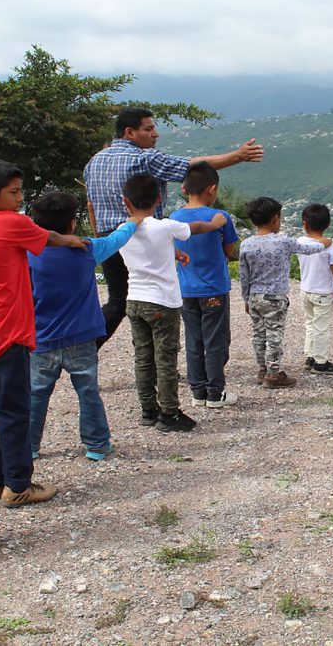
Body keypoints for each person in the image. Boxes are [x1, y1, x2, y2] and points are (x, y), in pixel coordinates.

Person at [0, 159, 88, 508]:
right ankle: (18, 484)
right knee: (14, 412)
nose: (20, 199)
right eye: (14, 192)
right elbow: (47, 237)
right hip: (8, 333)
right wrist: (71, 240)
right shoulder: (11, 222)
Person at [84, 107, 265, 349]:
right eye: (148, 129)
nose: (155, 134)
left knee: (120, 301)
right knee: (157, 301)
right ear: (129, 132)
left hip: (110, 240)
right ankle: (160, 360)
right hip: (145, 238)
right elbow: (192, 166)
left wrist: (100, 240)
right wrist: (237, 156)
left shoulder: (94, 161)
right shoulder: (145, 158)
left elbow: (91, 205)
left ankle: (87, 350)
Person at [26, 191, 143, 461]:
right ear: (71, 225)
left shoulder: (29, 254)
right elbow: (116, 239)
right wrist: (133, 222)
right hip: (81, 336)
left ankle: (29, 447)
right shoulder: (86, 249)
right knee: (88, 391)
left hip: (41, 337)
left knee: (35, 395)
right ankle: (97, 444)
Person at [120, 173, 228, 431]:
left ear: (126, 202)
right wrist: (214, 223)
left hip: (134, 300)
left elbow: (148, 251)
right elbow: (195, 229)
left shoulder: (122, 231)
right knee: (165, 359)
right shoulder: (164, 226)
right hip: (162, 303)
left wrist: (175, 253)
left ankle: (148, 410)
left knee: (143, 357)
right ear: (159, 198)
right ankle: (169, 414)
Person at [239, 197, 332, 388]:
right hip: (275, 298)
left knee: (259, 334)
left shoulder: (246, 244)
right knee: (274, 335)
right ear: (275, 219)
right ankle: (273, 375)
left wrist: (246, 298)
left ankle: (262, 369)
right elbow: (309, 248)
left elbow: (243, 275)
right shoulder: (284, 242)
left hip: (255, 296)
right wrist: (325, 242)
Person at [169, 162, 241, 409]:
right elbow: (229, 250)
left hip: (185, 289)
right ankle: (215, 393)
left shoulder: (174, 218)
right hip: (214, 289)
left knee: (193, 338)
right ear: (212, 189)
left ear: (184, 188)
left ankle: (197, 392)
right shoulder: (219, 217)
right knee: (216, 340)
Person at [297, 203, 333, 374]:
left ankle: (311, 356)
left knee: (310, 323)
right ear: (328, 224)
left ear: (305, 224)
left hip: (305, 290)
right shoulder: (330, 247)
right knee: (321, 327)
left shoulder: (300, 242)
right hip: (323, 293)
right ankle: (320, 362)